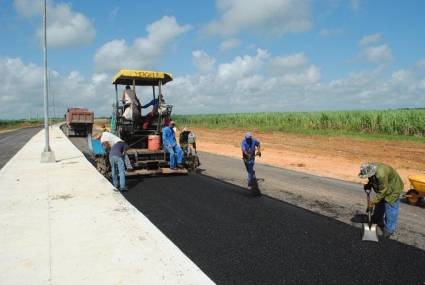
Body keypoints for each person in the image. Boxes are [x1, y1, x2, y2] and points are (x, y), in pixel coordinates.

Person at [359, 162, 404, 238]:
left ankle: (389, 229)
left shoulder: (381, 174)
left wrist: (372, 202)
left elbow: (383, 190)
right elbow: (372, 178)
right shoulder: (371, 169)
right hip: (384, 187)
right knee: (379, 203)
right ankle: (377, 219)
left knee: (390, 208)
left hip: (393, 189)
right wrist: (369, 185)